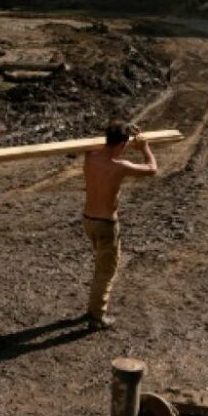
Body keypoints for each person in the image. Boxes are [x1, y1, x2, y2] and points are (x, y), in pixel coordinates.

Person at [82, 119, 158, 329]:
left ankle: (93, 308)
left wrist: (124, 133)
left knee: (101, 266)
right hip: (106, 224)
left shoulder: (90, 157)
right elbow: (152, 169)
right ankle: (97, 317)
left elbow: (106, 147)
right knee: (106, 272)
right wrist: (144, 147)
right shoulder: (120, 166)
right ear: (120, 145)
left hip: (88, 220)